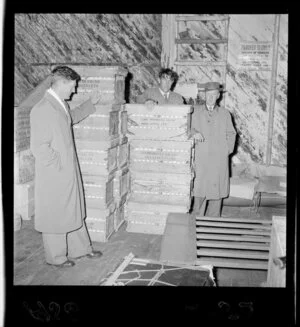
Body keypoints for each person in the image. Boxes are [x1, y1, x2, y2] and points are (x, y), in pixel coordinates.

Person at [30, 66, 103, 268]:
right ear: (61, 83)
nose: (74, 90)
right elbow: (39, 147)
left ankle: (81, 250)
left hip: (67, 171)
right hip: (56, 174)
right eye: (72, 85)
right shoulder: (43, 109)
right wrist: (59, 167)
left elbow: (72, 118)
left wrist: (90, 104)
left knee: (73, 210)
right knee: (56, 214)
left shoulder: (58, 104)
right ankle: (56, 258)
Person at [191, 82, 236, 217]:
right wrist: (193, 132)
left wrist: (225, 151)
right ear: (204, 95)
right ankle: (194, 225)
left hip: (218, 160)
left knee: (216, 194)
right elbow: (186, 128)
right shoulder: (194, 112)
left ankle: (212, 225)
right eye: (208, 95)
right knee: (198, 192)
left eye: (213, 95)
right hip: (200, 159)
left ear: (218, 96)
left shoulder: (225, 114)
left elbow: (231, 134)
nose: (210, 98)